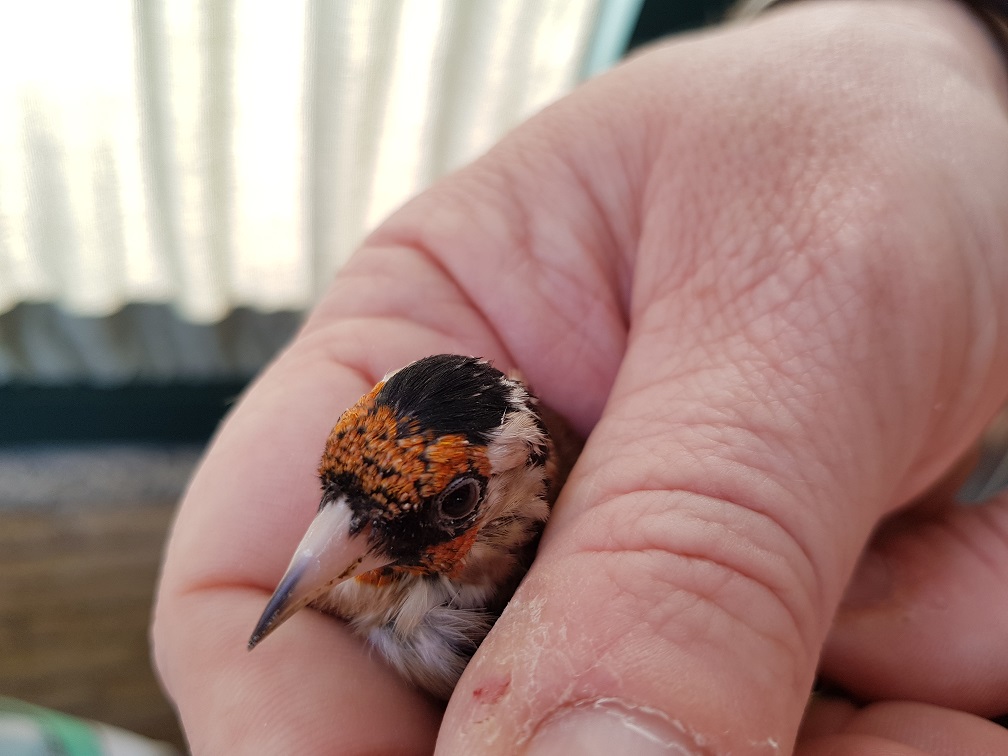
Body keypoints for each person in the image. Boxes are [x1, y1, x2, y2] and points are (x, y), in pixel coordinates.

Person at [152, 1, 1008, 752]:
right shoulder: (381, 578)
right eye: (334, 498)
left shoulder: (524, 583)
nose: (331, 548)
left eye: (455, 501)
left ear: (521, 494)